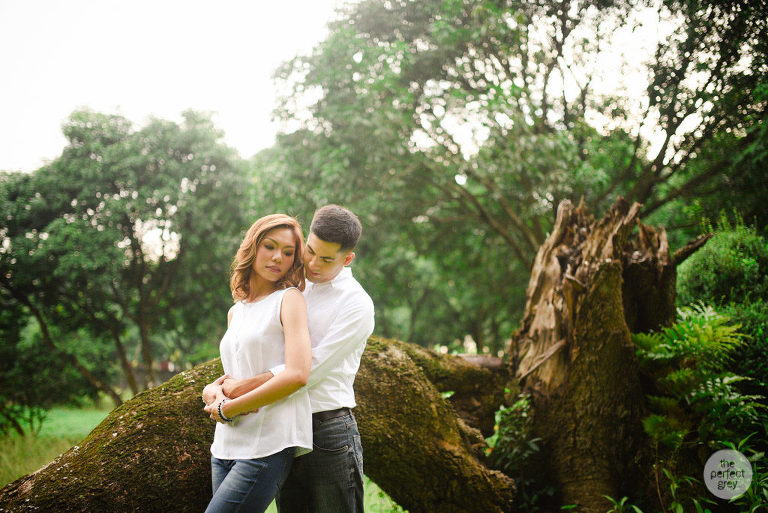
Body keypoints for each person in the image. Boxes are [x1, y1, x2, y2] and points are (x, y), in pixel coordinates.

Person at [218, 204, 375, 513]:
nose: (313, 263)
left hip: (326, 428)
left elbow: (309, 369)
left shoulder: (356, 304)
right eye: (311, 251)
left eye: (327, 259)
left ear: (347, 259)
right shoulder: (290, 288)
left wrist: (242, 389)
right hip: (282, 426)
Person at [201, 214, 313, 513]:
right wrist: (210, 391)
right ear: (253, 247)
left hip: (267, 444)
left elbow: (298, 374)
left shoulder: (289, 300)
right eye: (270, 246)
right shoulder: (236, 311)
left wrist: (230, 408)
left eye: (288, 252)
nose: (278, 257)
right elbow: (234, 373)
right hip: (225, 443)